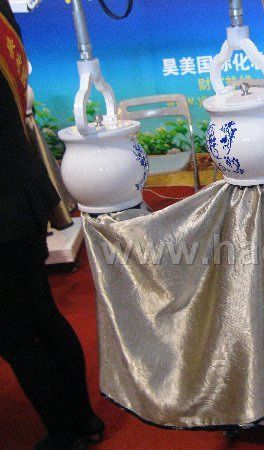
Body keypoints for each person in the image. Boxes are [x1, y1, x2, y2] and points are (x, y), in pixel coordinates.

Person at [0, 1, 104, 449]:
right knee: (41, 314)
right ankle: (83, 422)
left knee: (16, 334)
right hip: (20, 193)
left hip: (5, 208)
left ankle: (63, 433)